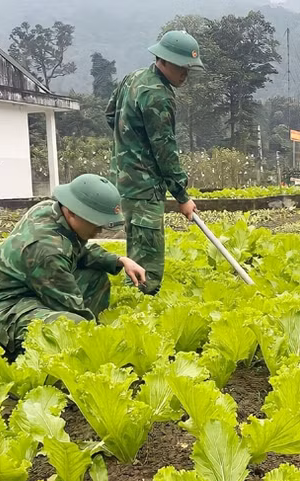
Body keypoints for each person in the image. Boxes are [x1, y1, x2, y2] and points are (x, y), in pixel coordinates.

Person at [0, 174, 146, 355]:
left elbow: (76, 250)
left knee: (95, 276)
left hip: (30, 289)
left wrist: (120, 260)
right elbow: (70, 304)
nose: (99, 230)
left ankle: (79, 348)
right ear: (72, 212)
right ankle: (31, 358)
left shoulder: (51, 209)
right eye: (95, 222)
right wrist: (105, 343)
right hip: (0, 309)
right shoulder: (47, 250)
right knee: (74, 326)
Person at [105, 30, 204, 295]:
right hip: (145, 186)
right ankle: (141, 316)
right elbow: (165, 150)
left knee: (136, 250)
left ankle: (132, 309)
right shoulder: (158, 95)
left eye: (188, 68)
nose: (185, 74)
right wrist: (182, 196)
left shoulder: (133, 78)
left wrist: (130, 145)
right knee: (147, 261)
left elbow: (110, 114)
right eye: (181, 66)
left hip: (125, 181)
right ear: (164, 59)